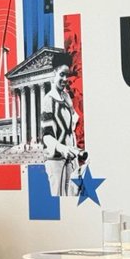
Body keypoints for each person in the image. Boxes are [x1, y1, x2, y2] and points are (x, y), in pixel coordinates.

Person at [41, 54, 85, 196]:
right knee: (59, 201)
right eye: (62, 75)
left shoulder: (66, 98)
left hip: (70, 159)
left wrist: (75, 152)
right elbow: (46, 136)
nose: (65, 79)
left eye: (67, 75)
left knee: (73, 198)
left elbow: (71, 128)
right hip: (55, 161)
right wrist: (61, 148)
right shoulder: (48, 100)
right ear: (54, 73)